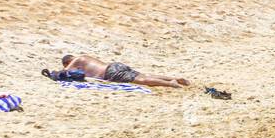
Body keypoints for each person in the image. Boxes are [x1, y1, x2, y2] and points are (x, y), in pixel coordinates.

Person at [60, 54, 189, 89]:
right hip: (114, 65)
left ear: (68, 61)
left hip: (109, 72)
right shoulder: (85, 57)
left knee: (142, 81)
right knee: (144, 75)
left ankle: (170, 84)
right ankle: (175, 78)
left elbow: (64, 72)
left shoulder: (76, 60)